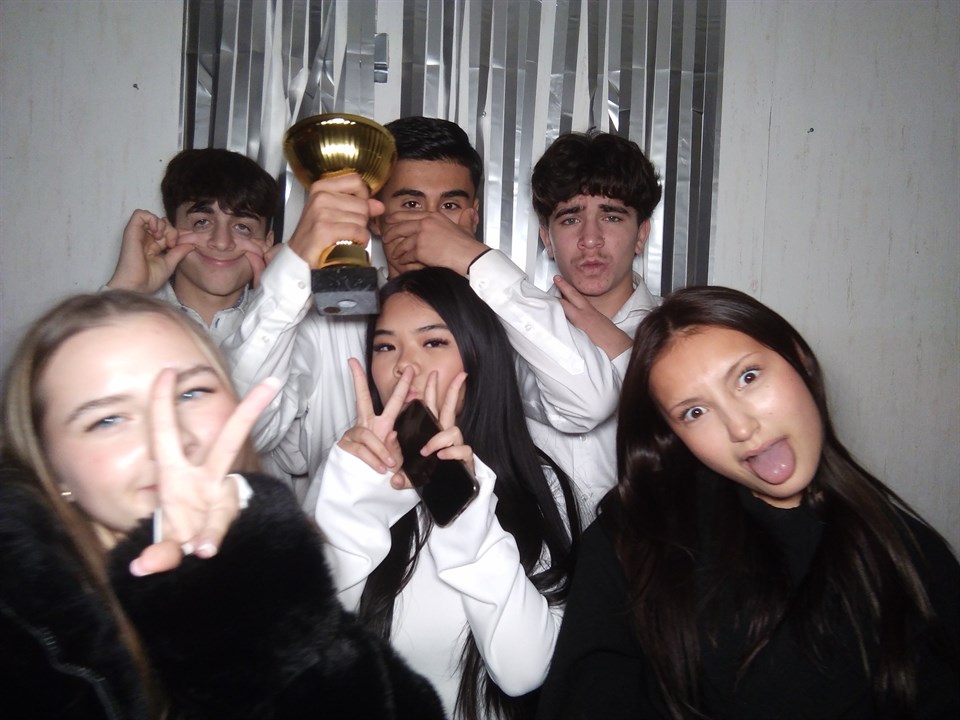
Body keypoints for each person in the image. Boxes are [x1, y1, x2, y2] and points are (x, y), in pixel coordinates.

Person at [0, 291, 445, 719]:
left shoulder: (276, 571)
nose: (171, 437)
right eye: (108, 419)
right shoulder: (24, 639)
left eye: (190, 394)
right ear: (50, 466)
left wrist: (231, 602)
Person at [535, 286, 960, 719]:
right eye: (694, 412)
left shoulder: (908, 553)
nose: (740, 427)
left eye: (748, 377)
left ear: (798, 357)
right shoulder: (632, 543)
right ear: (675, 436)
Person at [314, 267, 582, 719]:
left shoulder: (539, 483)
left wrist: (458, 501)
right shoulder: (349, 473)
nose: (404, 365)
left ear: (478, 355)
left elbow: (524, 671)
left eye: (433, 342)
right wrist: (357, 500)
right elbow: (308, 646)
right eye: (385, 346)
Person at [391, 129, 662, 520]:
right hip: (528, 553)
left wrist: (473, 258)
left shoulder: (685, 333)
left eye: (611, 216)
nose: (590, 239)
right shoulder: (496, 330)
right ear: (546, 239)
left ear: (641, 235)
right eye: (571, 218)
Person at [223, 116, 486, 501]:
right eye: (411, 203)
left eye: (449, 205)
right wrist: (296, 262)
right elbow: (238, 431)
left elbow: (576, 404)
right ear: (374, 217)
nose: (428, 225)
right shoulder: (320, 321)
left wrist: (481, 263)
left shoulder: (504, 318)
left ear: (473, 218)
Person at [105, 148, 279, 343]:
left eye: (242, 227)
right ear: (169, 231)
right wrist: (126, 289)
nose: (222, 243)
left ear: (268, 242)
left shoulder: (288, 324)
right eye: (202, 222)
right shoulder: (126, 316)